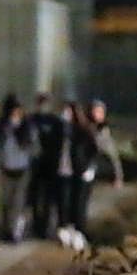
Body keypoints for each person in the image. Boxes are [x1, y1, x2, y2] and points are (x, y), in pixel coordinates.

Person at [0, 96, 40, 243]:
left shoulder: (28, 129)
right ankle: (6, 229)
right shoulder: (2, 129)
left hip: (22, 171)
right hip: (6, 170)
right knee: (6, 203)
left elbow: (35, 149)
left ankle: (15, 232)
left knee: (18, 203)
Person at [56, 101, 99, 251]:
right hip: (63, 172)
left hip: (80, 172)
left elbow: (93, 150)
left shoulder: (84, 130)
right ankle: (65, 228)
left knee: (79, 203)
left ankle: (78, 231)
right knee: (64, 202)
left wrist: (88, 167)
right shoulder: (60, 130)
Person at [27, 93, 64, 239]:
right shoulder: (31, 120)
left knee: (48, 198)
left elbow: (60, 143)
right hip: (34, 164)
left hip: (50, 165)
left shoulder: (56, 122)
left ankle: (44, 225)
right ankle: (36, 224)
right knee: (35, 197)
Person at [88, 99, 125, 190]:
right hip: (91, 152)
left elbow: (114, 158)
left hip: (103, 142)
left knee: (113, 156)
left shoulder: (105, 130)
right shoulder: (87, 125)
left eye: (100, 112)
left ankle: (118, 178)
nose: (97, 114)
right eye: (95, 111)